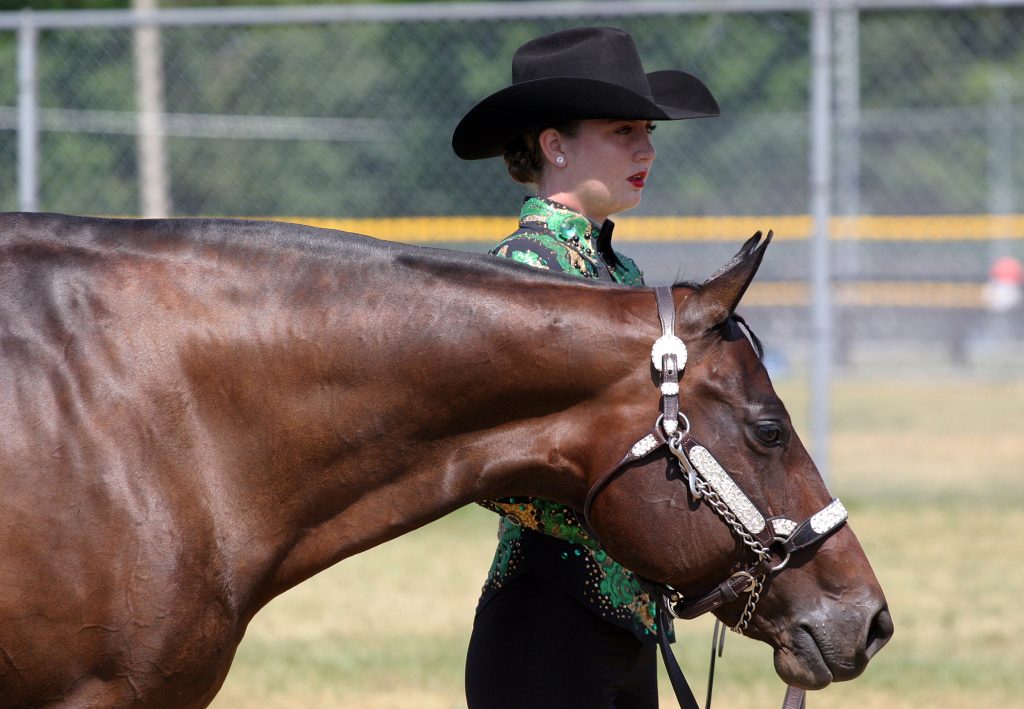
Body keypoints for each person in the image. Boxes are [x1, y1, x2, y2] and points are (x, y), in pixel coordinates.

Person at [451, 26, 719, 709]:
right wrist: (632, 519)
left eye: (648, 130)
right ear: (554, 143)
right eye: (624, 129)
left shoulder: (619, 269)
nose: (648, 148)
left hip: (630, 626)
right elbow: (486, 461)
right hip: (547, 621)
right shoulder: (524, 270)